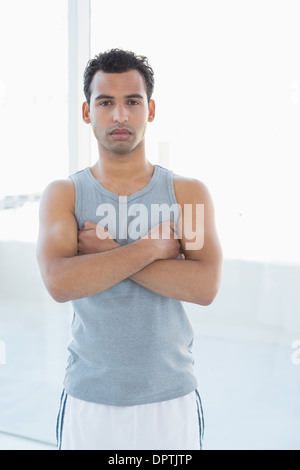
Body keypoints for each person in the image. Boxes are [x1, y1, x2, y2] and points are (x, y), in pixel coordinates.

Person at [37, 48, 223, 450]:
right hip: (91, 398)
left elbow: (204, 286)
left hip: (170, 399)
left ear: (150, 110)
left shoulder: (186, 194)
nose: (119, 116)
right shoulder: (65, 194)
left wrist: (104, 250)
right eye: (106, 102)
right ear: (87, 112)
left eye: (132, 102)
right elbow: (59, 282)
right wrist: (152, 248)